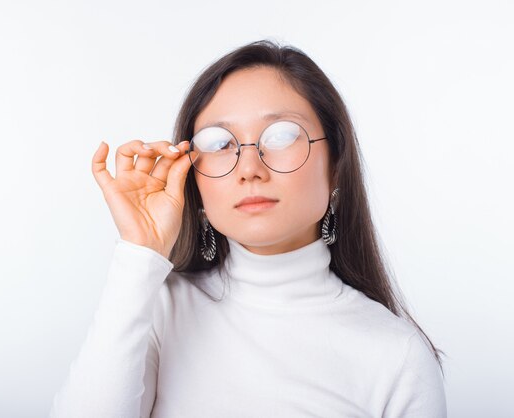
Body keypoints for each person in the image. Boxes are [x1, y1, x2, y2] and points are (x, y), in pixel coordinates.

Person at [50, 40, 446, 417]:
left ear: (335, 164)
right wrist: (140, 253)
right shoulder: (158, 308)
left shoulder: (398, 357)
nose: (249, 169)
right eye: (219, 144)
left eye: (282, 136)